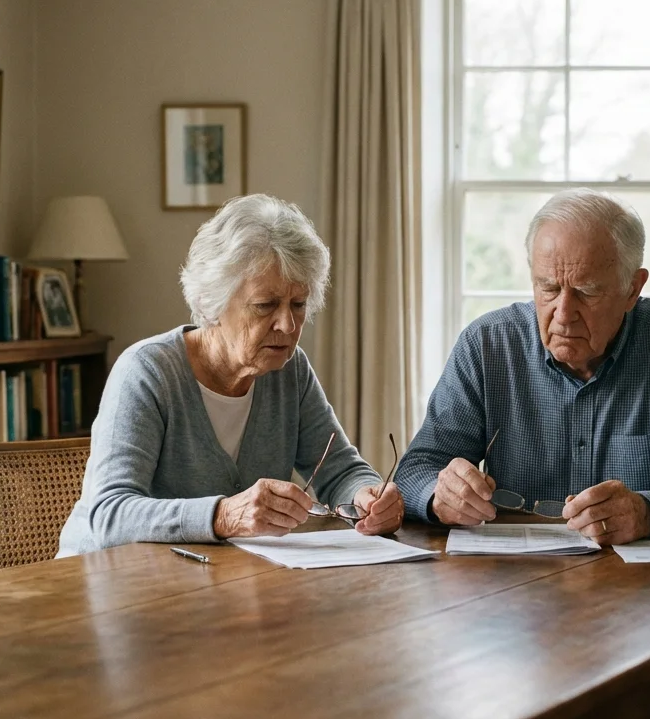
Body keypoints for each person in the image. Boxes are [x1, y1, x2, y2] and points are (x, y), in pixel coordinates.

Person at [394, 188, 650, 719]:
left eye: (586, 292)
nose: (562, 312)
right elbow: (417, 465)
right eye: (548, 288)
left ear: (634, 287)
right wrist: (437, 493)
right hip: (512, 623)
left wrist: (648, 511)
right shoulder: (486, 345)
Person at [57, 194, 402, 556]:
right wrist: (222, 515)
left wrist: (369, 496)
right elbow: (109, 516)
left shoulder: (289, 370)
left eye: (298, 305)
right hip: (105, 587)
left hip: (205, 585)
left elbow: (341, 469)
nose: (287, 324)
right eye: (265, 305)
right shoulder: (146, 373)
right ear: (212, 302)